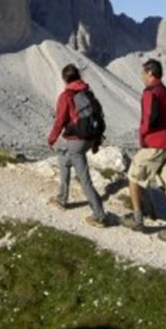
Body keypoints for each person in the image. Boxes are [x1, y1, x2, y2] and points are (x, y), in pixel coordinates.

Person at [124, 58, 166, 245]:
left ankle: (137, 219)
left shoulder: (150, 93)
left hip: (154, 145)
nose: (142, 76)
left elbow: (148, 119)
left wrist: (143, 137)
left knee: (133, 177)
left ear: (151, 73)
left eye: (144, 72)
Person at [46, 63, 108, 228]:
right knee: (63, 160)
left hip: (76, 140)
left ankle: (99, 215)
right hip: (89, 138)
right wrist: (96, 142)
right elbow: (97, 116)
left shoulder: (66, 96)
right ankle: (62, 198)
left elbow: (60, 121)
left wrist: (52, 138)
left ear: (65, 78)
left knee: (84, 179)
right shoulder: (87, 92)